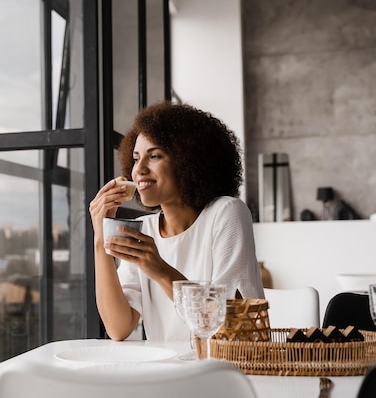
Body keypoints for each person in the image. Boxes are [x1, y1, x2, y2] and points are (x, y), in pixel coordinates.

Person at [89, 101, 264, 341]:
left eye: (155, 156)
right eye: (136, 158)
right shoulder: (144, 229)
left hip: (222, 371)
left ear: (188, 161)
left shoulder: (226, 213)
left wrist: (160, 269)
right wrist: (100, 239)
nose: (138, 169)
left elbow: (233, 328)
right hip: (167, 372)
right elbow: (118, 328)